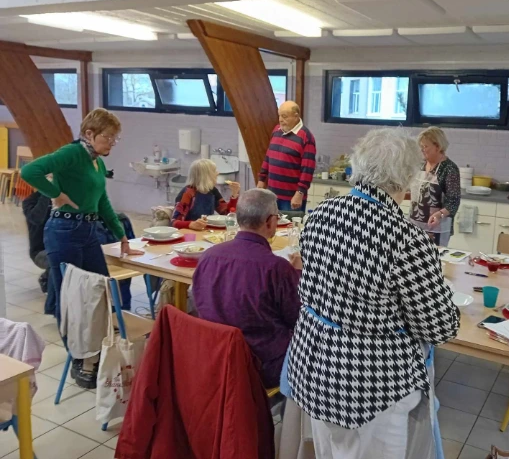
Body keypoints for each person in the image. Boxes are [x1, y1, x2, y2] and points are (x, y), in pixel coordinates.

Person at [287, 128, 460, 458]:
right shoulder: (407, 240)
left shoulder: (319, 215)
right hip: (370, 386)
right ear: (407, 179)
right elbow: (439, 328)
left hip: (314, 368)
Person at [21, 108, 144, 387]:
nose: (112, 143)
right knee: (71, 298)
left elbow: (102, 202)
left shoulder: (95, 162)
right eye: (108, 137)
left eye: (115, 138)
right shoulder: (72, 152)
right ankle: (78, 359)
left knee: (100, 292)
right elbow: (30, 171)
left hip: (88, 231)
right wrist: (56, 194)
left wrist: (122, 237)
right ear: (89, 133)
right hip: (64, 231)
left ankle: (98, 349)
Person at [192, 188, 301, 388]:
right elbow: (297, 319)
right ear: (270, 222)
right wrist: (298, 275)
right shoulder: (276, 268)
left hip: (214, 354)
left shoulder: (208, 256)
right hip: (260, 364)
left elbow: (197, 301)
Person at [257, 101, 316, 212]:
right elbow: (268, 156)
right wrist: (261, 179)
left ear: (296, 116)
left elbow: (307, 169)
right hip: (272, 195)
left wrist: (300, 193)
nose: (280, 120)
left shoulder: (306, 137)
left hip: (291, 198)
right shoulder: (276, 130)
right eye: (279, 115)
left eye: (284, 116)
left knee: (290, 224)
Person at [410, 126, 461, 246]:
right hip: (414, 225)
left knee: (433, 256)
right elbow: (417, 192)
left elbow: (453, 202)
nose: (422, 150)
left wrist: (439, 215)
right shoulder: (421, 165)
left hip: (436, 228)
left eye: (425, 146)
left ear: (438, 147)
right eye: (421, 146)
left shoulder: (449, 169)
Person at [171, 159, 240, 230]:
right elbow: (174, 222)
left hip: (207, 231)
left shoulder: (212, 190)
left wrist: (234, 195)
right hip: (190, 233)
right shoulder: (187, 193)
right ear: (206, 176)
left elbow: (227, 214)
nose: (218, 173)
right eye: (214, 171)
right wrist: (191, 224)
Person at [22, 190, 52, 297]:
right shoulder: (30, 201)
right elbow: (37, 219)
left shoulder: (67, 198)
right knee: (58, 259)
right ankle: (46, 279)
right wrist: (47, 193)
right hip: (40, 252)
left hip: (63, 246)